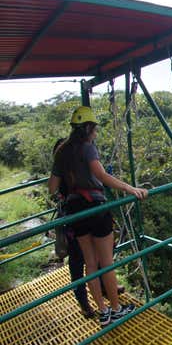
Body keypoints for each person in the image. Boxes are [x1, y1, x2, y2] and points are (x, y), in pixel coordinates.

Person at [48, 106, 148, 327]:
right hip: (95, 209)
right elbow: (101, 175)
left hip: (75, 211)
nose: (95, 133)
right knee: (106, 263)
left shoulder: (62, 151)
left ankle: (103, 312)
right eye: (94, 129)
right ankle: (116, 309)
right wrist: (130, 189)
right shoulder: (87, 148)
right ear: (88, 128)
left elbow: (52, 188)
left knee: (90, 264)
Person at [52, 138, 123, 319]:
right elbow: (101, 180)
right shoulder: (79, 167)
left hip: (74, 218)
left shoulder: (63, 171)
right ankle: (99, 305)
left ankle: (100, 304)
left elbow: (53, 190)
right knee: (92, 262)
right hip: (87, 214)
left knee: (89, 263)